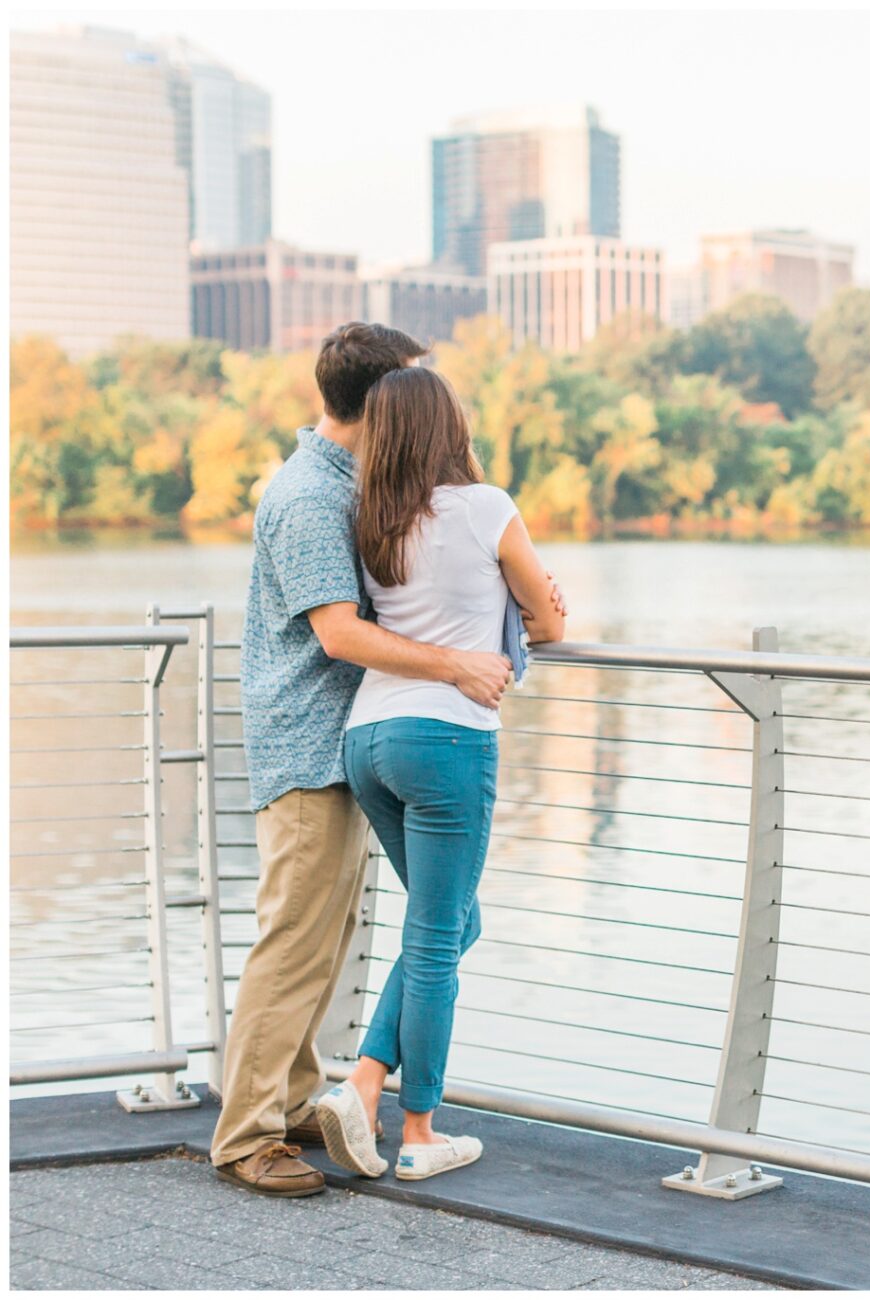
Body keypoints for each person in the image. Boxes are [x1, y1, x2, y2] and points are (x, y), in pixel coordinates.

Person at [214, 323, 544, 1198]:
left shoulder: (354, 488)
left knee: (332, 940)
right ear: (379, 399)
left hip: (358, 738)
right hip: (313, 743)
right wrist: (462, 661)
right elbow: (337, 631)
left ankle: (291, 1103)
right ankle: (246, 1137)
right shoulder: (310, 498)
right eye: (410, 384)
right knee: (294, 942)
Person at [311, 365, 566, 1182]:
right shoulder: (487, 507)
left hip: (369, 740)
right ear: (450, 426)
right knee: (436, 938)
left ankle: (363, 1081)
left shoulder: (367, 521)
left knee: (450, 924)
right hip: (448, 739)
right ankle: (418, 1133)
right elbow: (551, 621)